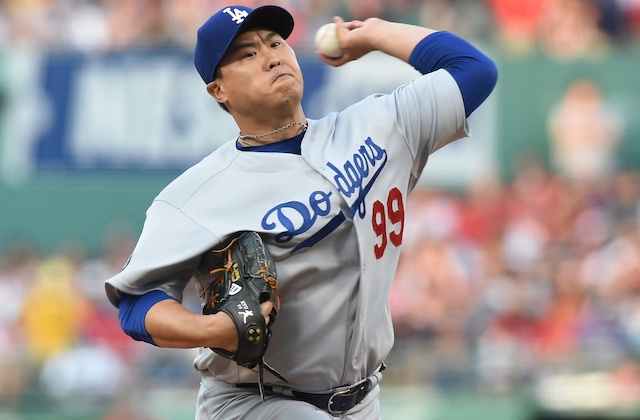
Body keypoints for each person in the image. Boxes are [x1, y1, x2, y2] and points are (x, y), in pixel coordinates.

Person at [104, 4, 498, 419]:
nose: (272, 55)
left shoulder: (379, 126)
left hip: (363, 399)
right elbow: (136, 304)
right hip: (254, 400)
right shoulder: (195, 195)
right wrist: (213, 330)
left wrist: (375, 34)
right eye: (247, 54)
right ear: (218, 90)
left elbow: (473, 70)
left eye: (276, 43)